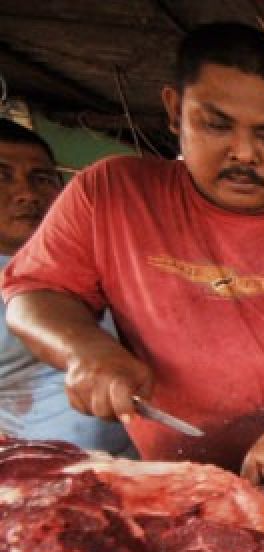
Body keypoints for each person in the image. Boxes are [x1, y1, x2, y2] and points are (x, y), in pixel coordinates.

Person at [1, 23, 264, 521]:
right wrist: (86, 350)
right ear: (174, 112)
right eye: (217, 125)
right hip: (178, 484)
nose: (244, 153)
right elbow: (35, 291)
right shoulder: (110, 194)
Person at [0, 119, 130, 452]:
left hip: (142, 472)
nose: (27, 194)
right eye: (2, 176)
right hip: (35, 487)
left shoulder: (109, 260)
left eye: (41, 178)